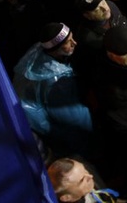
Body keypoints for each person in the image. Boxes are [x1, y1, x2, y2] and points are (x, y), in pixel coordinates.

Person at [12, 23, 94, 155]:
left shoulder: (37, 52)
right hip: (59, 132)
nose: (75, 43)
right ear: (55, 49)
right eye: (68, 42)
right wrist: (92, 123)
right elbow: (74, 118)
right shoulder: (56, 82)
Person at [47, 157, 127, 203]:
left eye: (85, 170)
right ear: (67, 197)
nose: (90, 176)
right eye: (83, 179)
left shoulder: (86, 171)